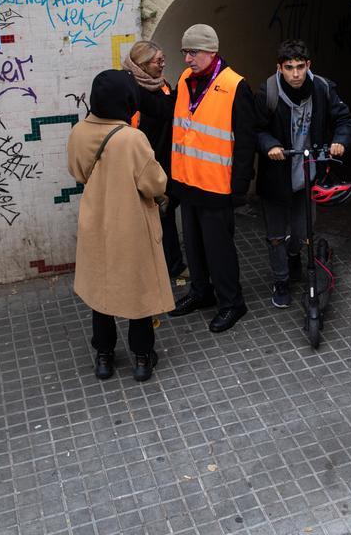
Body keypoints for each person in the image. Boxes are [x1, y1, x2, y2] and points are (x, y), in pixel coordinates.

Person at [133, 24, 257, 333]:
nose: (187, 59)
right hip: (187, 183)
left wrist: (239, 188)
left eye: (193, 53)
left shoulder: (235, 86)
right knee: (194, 246)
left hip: (217, 187)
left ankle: (232, 303)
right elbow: (167, 111)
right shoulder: (187, 80)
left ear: (211, 52)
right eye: (184, 53)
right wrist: (134, 88)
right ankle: (202, 293)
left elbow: (245, 142)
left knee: (220, 250)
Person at [67, 69, 174, 382]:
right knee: (138, 292)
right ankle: (142, 357)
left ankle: (104, 356)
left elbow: (77, 171)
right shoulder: (131, 138)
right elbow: (154, 183)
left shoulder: (79, 132)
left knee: (101, 292)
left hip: (95, 221)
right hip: (130, 223)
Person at [254, 39, 351, 308]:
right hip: (276, 176)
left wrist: (340, 140)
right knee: (276, 233)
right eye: (289, 68)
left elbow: (345, 119)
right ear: (280, 68)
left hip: (308, 173)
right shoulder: (268, 92)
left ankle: (293, 253)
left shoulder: (322, 88)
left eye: (300, 67)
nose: (296, 74)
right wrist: (270, 145)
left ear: (308, 65)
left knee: (302, 232)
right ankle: (280, 280)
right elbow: (254, 129)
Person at [123, 40, 187, 279]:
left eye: (163, 60)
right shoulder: (128, 90)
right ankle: (151, 268)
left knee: (166, 215)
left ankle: (173, 265)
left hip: (164, 164)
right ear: (141, 64)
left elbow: (169, 112)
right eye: (157, 61)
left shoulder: (163, 86)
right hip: (138, 166)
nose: (162, 65)